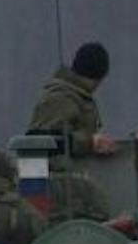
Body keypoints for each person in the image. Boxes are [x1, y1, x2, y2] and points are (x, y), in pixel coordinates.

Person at [26, 41, 117, 221]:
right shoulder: (62, 98)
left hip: (70, 189)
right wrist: (90, 142)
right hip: (56, 192)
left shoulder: (75, 95)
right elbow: (41, 141)